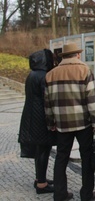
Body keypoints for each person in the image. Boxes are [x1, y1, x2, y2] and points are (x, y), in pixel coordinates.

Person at [45, 43, 95, 201]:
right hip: (83, 123)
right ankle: (86, 194)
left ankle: (60, 193)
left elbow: (47, 104)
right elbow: (92, 100)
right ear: (77, 55)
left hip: (62, 124)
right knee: (87, 157)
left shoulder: (50, 74)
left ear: (63, 56)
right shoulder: (84, 70)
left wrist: (51, 123)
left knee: (61, 158)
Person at [18, 49, 56, 195]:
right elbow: (47, 99)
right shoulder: (43, 76)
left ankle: (40, 178)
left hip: (31, 116)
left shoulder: (32, 75)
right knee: (43, 150)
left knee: (40, 149)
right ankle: (41, 184)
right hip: (40, 118)